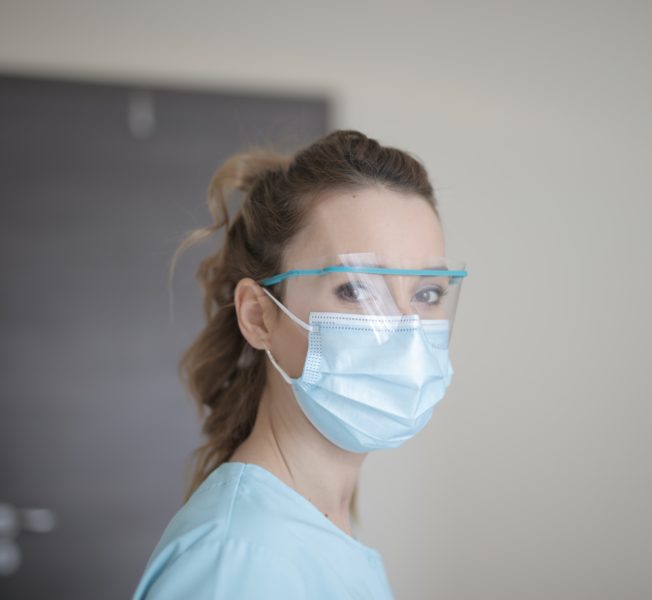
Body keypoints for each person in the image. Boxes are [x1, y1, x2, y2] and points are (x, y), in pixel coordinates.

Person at [131, 129, 467, 599]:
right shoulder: (235, 559)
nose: (406, 334)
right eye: (355, 290)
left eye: (427, 293)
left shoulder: (318, 525)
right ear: (258, 316)